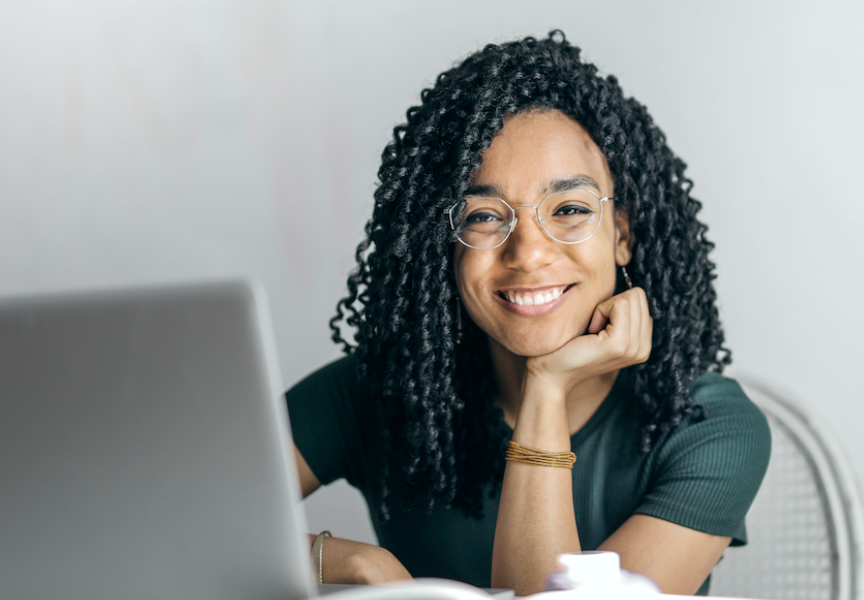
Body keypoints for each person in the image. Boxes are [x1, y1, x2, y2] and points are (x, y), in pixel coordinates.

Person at [285, 31, 771, 597]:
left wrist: (547, 387)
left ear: (622, 234)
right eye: (484, 217)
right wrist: (343, 563)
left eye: (568, 209)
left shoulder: (707, 426)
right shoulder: (380, 390)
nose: (529, 253)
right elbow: (171, 515)